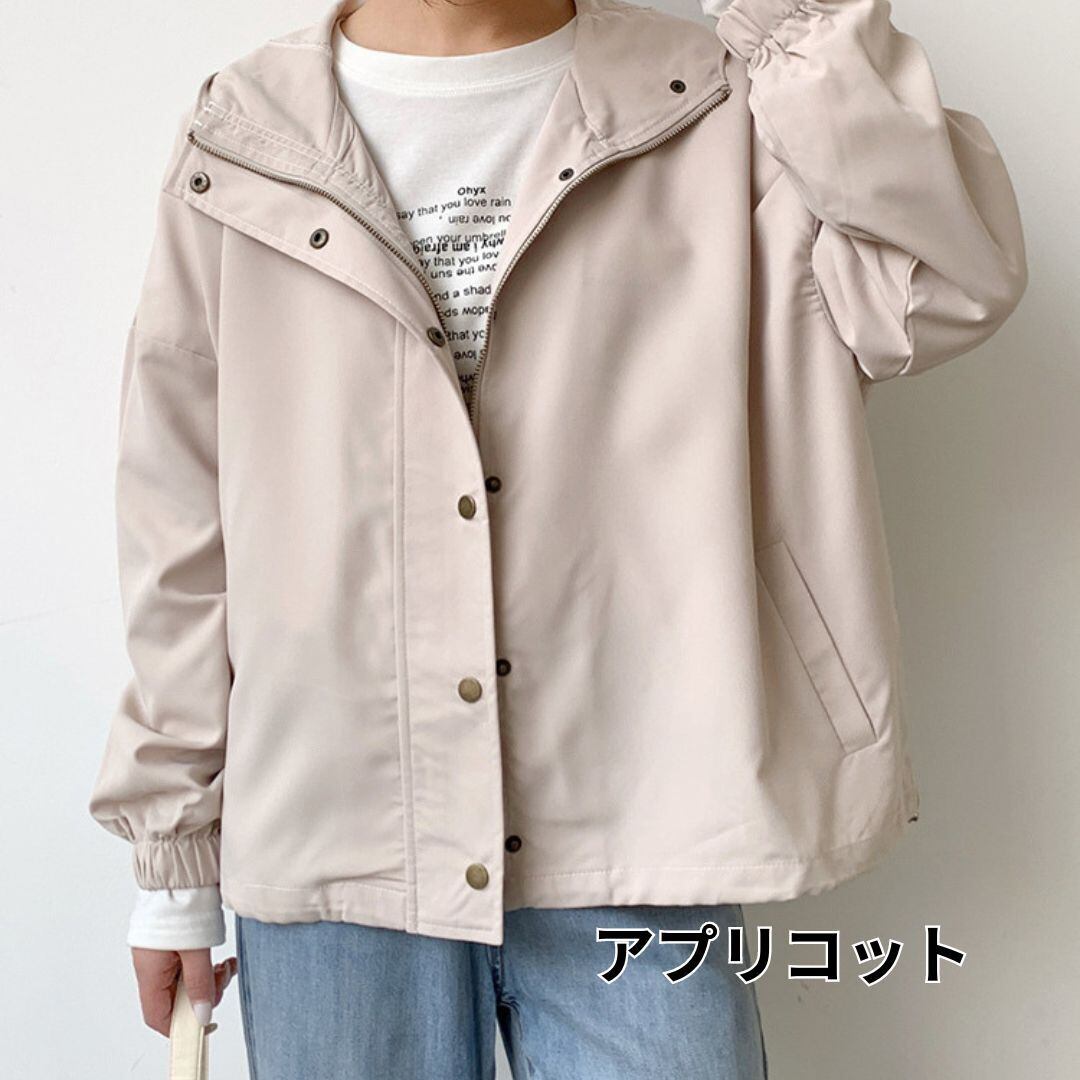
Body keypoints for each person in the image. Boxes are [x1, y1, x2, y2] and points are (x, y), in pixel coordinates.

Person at [87, 0, 1027, 1075]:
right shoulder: (246, 130)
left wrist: (792, 26)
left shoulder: (725, 101)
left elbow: (947, 284)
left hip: (648, 809)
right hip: (337, 821)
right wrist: (174, 864)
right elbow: (181, 525)